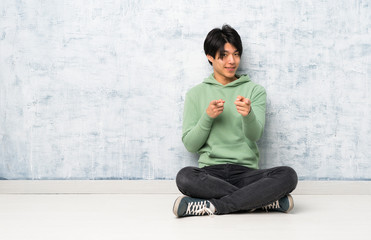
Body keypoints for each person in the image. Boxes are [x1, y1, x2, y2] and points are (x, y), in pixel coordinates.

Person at [173, 25, 298, 217]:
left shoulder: (254, 91)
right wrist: (208, 117)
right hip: (210, 174)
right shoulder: (195, 94)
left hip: (247, 174)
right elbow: (191, 145)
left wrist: (248, 115)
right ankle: (262, 201)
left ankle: (214, 206)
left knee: (288, 175)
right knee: (184, 177)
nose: (232, 61)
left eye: (236, 54)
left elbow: (255, 135)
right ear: (210, 57)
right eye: (224, 55)